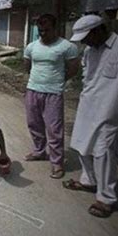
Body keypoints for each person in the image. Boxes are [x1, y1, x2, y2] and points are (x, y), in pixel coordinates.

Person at [62, 14, 118, 218]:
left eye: (87, 37)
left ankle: (106, 198)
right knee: (81, 144)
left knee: (103, 151)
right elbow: (87, 73)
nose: (85, 41)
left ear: (99, 30)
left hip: (110, 108)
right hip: (88, 104)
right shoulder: (89, 51)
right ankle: (89, 181)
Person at [23, 14, 79, 179]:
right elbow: (27, 66)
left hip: (53, 93)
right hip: (32, 90)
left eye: (47, 30)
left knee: (54, 129)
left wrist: (57, 82)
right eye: (40, 31)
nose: (43, 34)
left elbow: (73, 69)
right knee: (34, 124)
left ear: (56, 28)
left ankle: (57, 163)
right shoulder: (31, 47)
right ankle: (39, 151)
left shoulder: (67, 47)